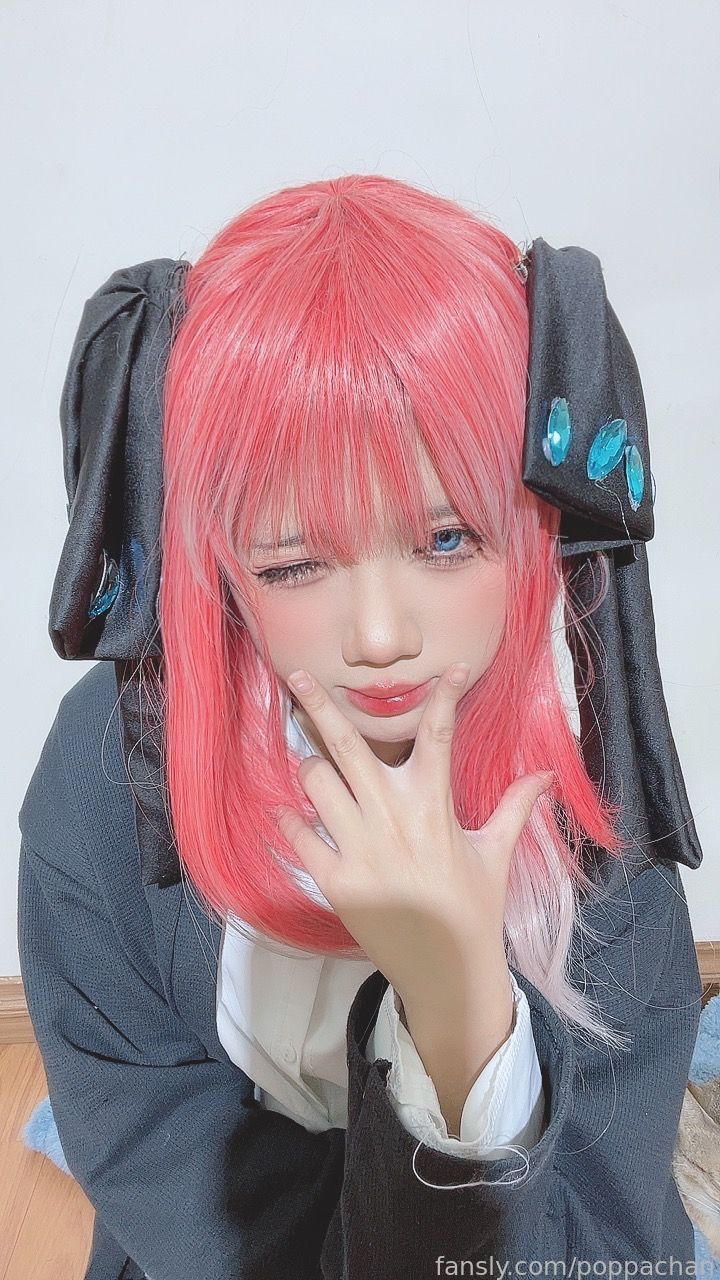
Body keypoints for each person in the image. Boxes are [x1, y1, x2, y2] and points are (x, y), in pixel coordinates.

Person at [17, 174, 704, 1280]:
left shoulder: (596, 799)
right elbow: (156, 1162)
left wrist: (462, 1012)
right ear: (219, 559)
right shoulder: (108, 776)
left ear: (538, 514)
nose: (381, 635)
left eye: (447, 540)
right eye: (294, 562)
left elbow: (598, 1244)